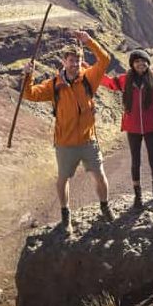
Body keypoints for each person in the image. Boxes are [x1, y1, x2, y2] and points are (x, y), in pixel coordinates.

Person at [22, 30, 113, 233]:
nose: (76, 65)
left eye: (79, 61)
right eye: (72, 61)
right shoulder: (54, 85)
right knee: (63, 179)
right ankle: (66, 215)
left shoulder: (88, 78)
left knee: (99, 175)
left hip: (88, 140)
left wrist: (89, 41)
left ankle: (105, 206)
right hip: (65, 143)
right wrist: (28, 75)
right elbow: (29, 95)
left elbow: (105, 60)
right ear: (64, 61)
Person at [100, 49, 153, 209]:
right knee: (135, 162)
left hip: (151, 127)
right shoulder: (125, 79)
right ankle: (138, 196)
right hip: (132, 128)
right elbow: (109, 83)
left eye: (144, 61)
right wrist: (89, 71)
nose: (141, 64)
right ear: (132, 64)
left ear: (148, 63)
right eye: (137, 61)